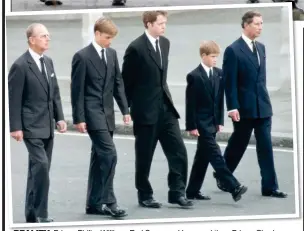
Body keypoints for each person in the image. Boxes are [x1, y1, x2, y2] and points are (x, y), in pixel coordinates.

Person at [122, 11, 193, 208]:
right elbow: (125, 82)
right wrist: (126, 109)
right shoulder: (135, 48)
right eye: (160, 23)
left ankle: (177, 192)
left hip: (166, 108)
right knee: (145, 155)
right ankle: (144, 195)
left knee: (178, 151)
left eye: (165, 23)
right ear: (148, 24)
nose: (164, 27)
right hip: (145, 110)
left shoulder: (165, 43)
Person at [214, 10, 287, 198]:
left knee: (266, 146)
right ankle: (223, 174)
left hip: (263, 106)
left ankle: (270, 187)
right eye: (257, 24)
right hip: (243, 108)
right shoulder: (233, 50)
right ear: (246, 25)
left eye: (262, 24)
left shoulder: (261, 48)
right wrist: (232, 107)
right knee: (238, 143)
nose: (260, 27)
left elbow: (260, 78)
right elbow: (229, 83)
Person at [71, 17, 130, 218]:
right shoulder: (82, 57)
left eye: (111, 38)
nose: (110, 41)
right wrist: (78, 118)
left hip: (108, 113)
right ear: (96, 34)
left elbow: (118, 83)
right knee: (109, 154)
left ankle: (93, 204)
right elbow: (76, 90)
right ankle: (109, 201)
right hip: (92, 113)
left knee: (99, 158)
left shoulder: (112, 54)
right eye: (107, 37)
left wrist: (125, 110)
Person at [8, 23, 67, 223]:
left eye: (48, 35)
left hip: (47, 125)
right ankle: (41, 213)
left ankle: (32, 214)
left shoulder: (48, 62)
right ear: (31, 40)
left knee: (39, 170)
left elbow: (55, 93)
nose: (47, 39)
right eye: (43, 36)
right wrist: (15, 127)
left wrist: (60, 117)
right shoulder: (20, 65)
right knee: (41, 166)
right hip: (30, 125)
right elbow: (13, 99)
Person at [185, 41, 248, 202]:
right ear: (203, 56)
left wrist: (220, 121)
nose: (215, 60)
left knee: (202, 158)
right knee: (216, 154)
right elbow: (190, 104)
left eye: (216, 57)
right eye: (212, 56)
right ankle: (234, 186)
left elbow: (219, 100)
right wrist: (191, 126)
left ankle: (192, 191)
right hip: (201, 124)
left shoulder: (218, 73)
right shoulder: (194, 76)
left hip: (212, 123)